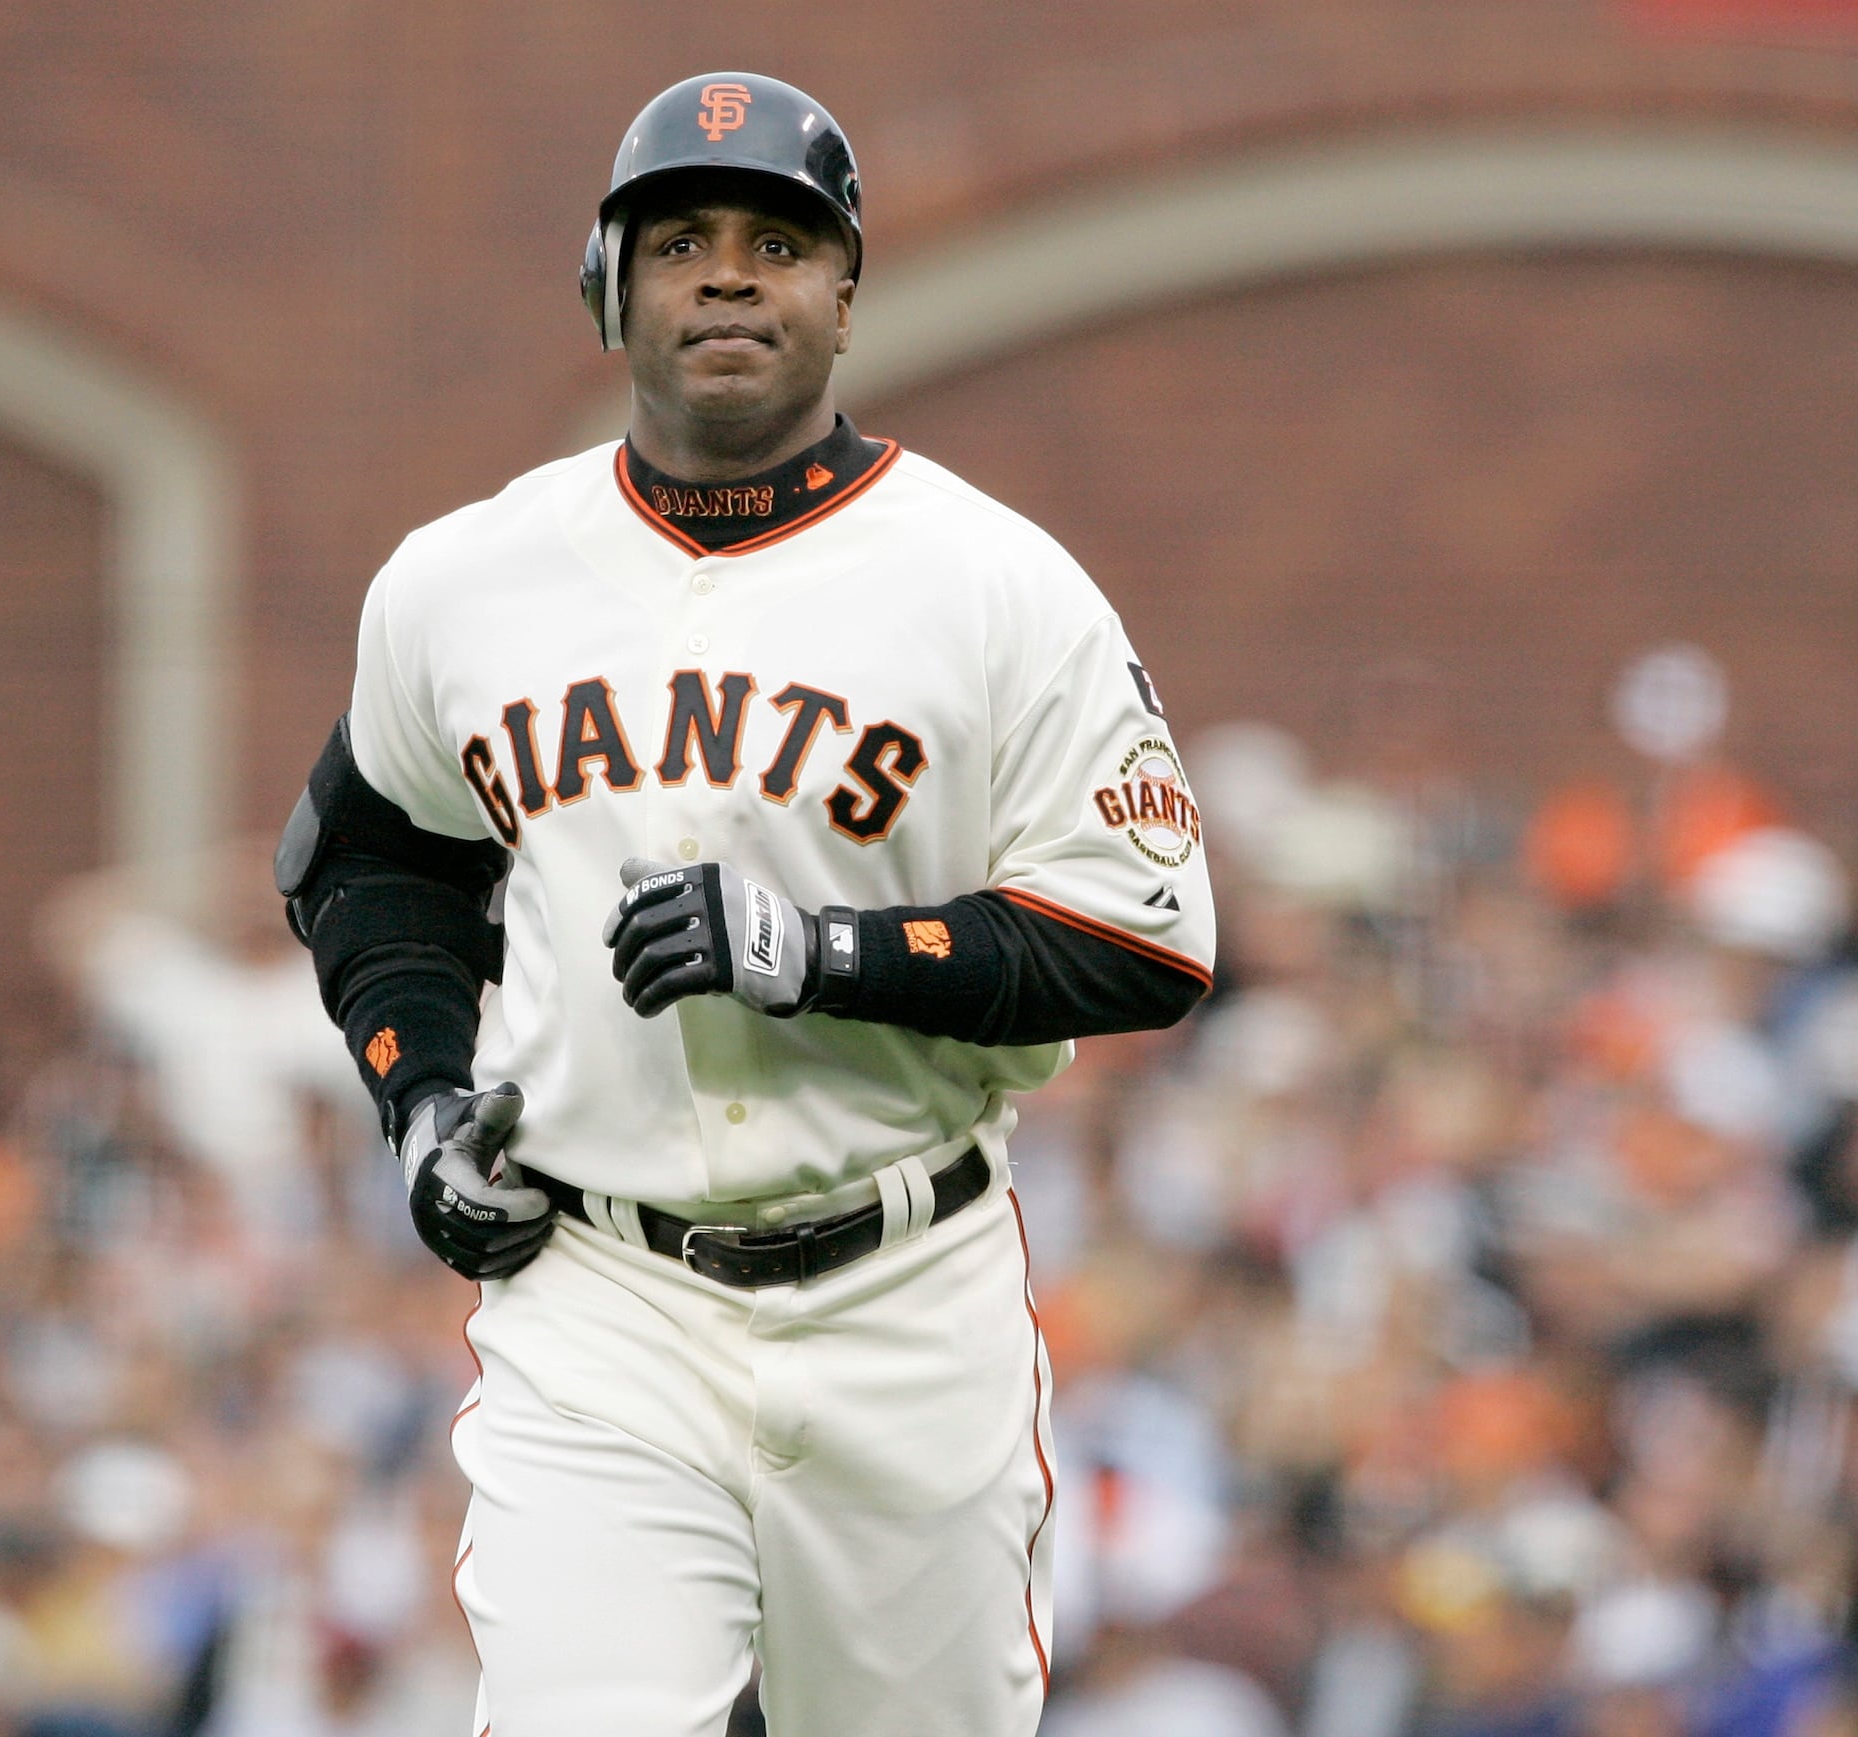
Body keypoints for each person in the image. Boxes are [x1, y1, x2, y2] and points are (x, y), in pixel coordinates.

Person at [275, 71, 1216, 1737]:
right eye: (679, 241)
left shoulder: (996, 581)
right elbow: (369, 860)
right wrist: (420, 1097)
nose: (725, 274)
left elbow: (1143, 936)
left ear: (845, 292)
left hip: (900, 1289)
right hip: (603, 1294)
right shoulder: (464, 580)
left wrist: (826, 953)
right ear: (608, 285)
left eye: (776, 243)